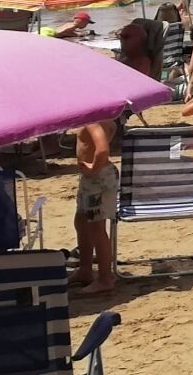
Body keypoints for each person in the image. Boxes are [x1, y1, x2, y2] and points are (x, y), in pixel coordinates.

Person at [71, 117, 119, 294]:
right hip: (94, 178)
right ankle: (85, 269)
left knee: (96, 228)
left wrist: (92, 168)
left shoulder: (93, 120)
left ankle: (105, 277)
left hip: (98, 178)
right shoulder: (107, 120)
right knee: (81, 221)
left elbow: (102, 150)